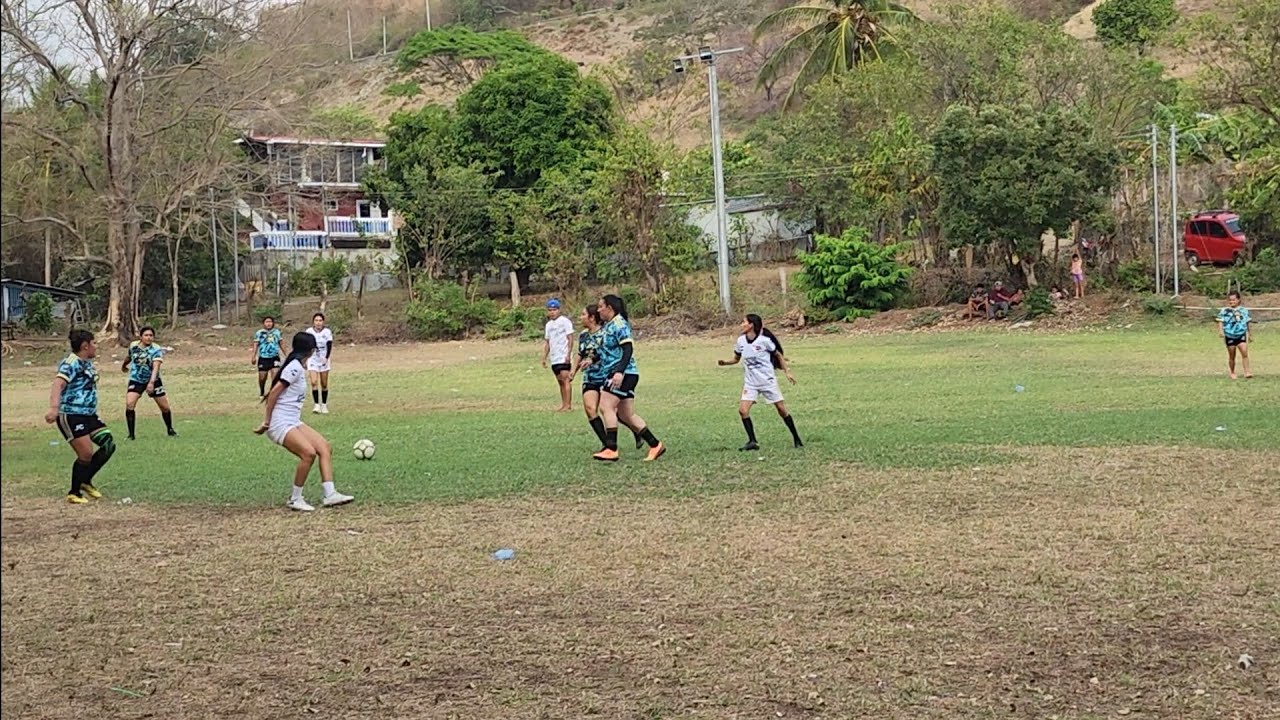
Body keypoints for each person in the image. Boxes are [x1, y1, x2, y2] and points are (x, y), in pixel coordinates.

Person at [253, 331, 354, 512]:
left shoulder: (297, 365)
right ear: (311, 350)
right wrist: (267, 422)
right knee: (308, 454)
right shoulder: (294, 368)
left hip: (292, 420)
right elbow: (274, 393)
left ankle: (330, 494)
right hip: (280, 422)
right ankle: (295, 498)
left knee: (324, 447)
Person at [591, 294, 665, 462]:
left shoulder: (619, 324)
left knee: (606, 406)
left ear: (610, 308)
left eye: (601, 306)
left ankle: (611, 448)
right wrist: (592, 360)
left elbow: (628, 348)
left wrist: (619, 372)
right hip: (621, 372)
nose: (598, 309)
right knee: (626, 415)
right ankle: (655, 445)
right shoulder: (608, 326)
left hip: (624, 373)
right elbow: (609, 351)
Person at [46, 329, 115, 504]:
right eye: (94, 343)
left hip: (88, 415)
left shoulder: (87, 363)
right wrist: (54, 408)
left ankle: (85, 480)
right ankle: (74, 492)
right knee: (86, 454)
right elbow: (58, 385)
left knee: (108, 444)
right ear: (85, 346)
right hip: (71, 414)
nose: (96, 346)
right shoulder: (71, 363)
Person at [718, 314, 803, 450]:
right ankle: (752, 441)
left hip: (767, 381)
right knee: (743, 411)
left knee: (781, 410)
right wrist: (725, 363)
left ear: (751, 325)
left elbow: (778, 355)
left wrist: (787, 371)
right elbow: (736, 359)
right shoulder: (741, 341)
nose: (741, 324)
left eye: (744, 322)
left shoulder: (764, 341)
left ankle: (796, 438)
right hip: (751, 383)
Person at [571, 304, 644, 451]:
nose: (580, 318)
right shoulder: (584, 335)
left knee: (616, 413)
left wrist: (594, 360)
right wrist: (573, 370)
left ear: (592, 318)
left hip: (606, 375)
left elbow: (608, 352)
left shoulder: (607, 331)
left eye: (583, 314)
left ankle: (637, 431)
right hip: (590, 377)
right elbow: (580, 354)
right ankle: (607, 444)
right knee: (591, 409)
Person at [121, 326, 176, 439]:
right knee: (130, 404)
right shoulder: (134, 346)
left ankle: (170, 429)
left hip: (153, 380)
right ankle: (131, 435)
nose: (149, 338)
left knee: (164, 407)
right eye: (146, 335)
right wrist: (124, 365)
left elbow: (156, 367)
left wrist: (151, 383)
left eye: (151, 335)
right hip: (136, 379)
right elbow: (129, 356)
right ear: (141, 337)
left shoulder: (155, 349)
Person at [541, 299, 575, 412]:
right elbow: (547, 342)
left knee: (566, 380)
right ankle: (563, 404)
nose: (552, 312)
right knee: (560, 381)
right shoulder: (548, 325)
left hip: (563, 355)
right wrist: (544, 357)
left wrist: (568, 353)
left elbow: (570, 338)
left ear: (559, 310)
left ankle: (568, 405)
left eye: (554, 310)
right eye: (550, 310)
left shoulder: (565, 321)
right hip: (554, 357)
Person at [1217, 290, 1254, 380]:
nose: (1232, 302)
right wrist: (1221, 331)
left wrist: (1250, 334)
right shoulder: (1224, 311)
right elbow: (1220, 321)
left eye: (1234, 300)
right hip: (1230, 335)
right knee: (1232, 355)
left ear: (1238, 300)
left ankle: (1247, 371)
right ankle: (1232, 372)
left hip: (1241, 334)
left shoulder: (1244, 310)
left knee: (1244, 352)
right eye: (1230, 300)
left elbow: (1247, 322)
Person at [306, 312, 334, 414]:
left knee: (324, 384)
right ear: (313, 322)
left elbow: (329, 345)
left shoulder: (327, 332)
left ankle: (324, 405)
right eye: (316, 320)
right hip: (313, 358)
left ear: (323, 322)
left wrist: (326, 358)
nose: (318, 323)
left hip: (323, 359)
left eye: (320, 320)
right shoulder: (309, 331)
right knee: (313, 382)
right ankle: (316, 405)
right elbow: (307, 345)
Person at [252, 316, 283, 398]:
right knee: (262, 377)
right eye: (267, 322)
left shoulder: (277, 332)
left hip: (274, 357)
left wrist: (287, 354)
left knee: (275, 375)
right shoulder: (259, 333)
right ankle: (262, 391)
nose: (269, 323)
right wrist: (253, 356)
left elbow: (281, 343)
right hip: (263, 357)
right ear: (264, 323)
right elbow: (256, 344)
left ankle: (273, 392)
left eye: (270, 322)